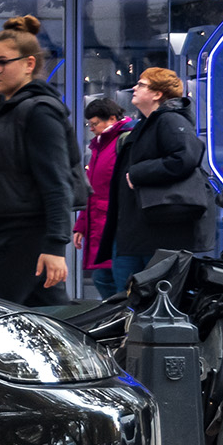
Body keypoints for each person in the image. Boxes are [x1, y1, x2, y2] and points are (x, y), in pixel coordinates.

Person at [0, 25, 76, 306]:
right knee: (46, 324)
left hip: (21, 238)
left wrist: (56, 247)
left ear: (29, 63)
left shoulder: (40, 113)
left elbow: (57, 184)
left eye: (2, 62)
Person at [112, 66, 217, 275]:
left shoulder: (169, 120)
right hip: (148, 226)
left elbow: (185, 156)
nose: (134, 88)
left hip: (159, 227)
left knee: (142, 290)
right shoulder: (149, 123)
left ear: (157, 94)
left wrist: (137, 173)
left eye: (142, 85)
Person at [73, 95, 133, 298]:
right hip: (103, 222)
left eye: (94, 123)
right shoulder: (101, 146)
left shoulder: (122, 142)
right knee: (104, 277)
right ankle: (117, 320)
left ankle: (122, 322)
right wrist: (81, 225)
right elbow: (92, 191)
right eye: (89, 123)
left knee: (116, 280)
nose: (91, 128)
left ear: (112, 119)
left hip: (117, 224)